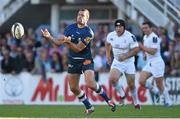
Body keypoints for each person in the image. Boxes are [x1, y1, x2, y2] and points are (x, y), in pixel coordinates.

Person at [41, 8, 116, 115]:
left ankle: (108, 99)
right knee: (73, 88)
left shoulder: (89, 32)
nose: (80, 17)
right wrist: (49, 37)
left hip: (86, 60)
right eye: (79, 15)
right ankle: (89, 107)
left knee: (90, 83)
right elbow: (58, 43)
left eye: (82, 15)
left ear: (87, 18)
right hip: (73, 60)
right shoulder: (69, 28)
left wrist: (68, 42)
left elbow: (78, 49)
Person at [105, 19, 140, 109]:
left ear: (124, 27)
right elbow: (107, 44)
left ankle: (136, 103)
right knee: (112, 79)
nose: (118, 28)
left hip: (129, 62)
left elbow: (136, 50)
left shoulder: (130, 36)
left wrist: (126, 56)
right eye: (116, 26)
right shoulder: (111, 35)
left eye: (120, 26)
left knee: (131, 85)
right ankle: (122, 95)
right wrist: (108, 56)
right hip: (117, 61)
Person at [139, 21, 172, 106]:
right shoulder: (145, 37)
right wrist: (145, 55)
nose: (144, 30)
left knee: (159, 84)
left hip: (157, 62)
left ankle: (168, 101)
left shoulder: (154, 37)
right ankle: (155, 91)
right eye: (143, 28)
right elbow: (147, 50)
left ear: (151, 28)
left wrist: (142, 48)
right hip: (149, 62)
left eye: (146, 28)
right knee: (141, 81)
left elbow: (153, 51)